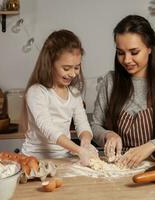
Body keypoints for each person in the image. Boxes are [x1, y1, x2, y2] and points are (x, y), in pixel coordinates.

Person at [92, 15, 155, 168]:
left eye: (134, 52)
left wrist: (152, 145)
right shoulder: (110, 81)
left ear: (149, 49)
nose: (126, 60)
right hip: (115, 168)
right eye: (120, 53)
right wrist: (107, 135)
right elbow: (95, 126)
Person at [20, 30, 98, 165]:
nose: (73, 74)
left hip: (63, 158)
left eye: (77, 67)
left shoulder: (74, 94)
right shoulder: (37, 92)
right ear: (50, 63)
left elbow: (82, 124)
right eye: (66, 68)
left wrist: (85, 142)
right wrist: (78, 150)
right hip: (34, 159)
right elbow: (48, 128)